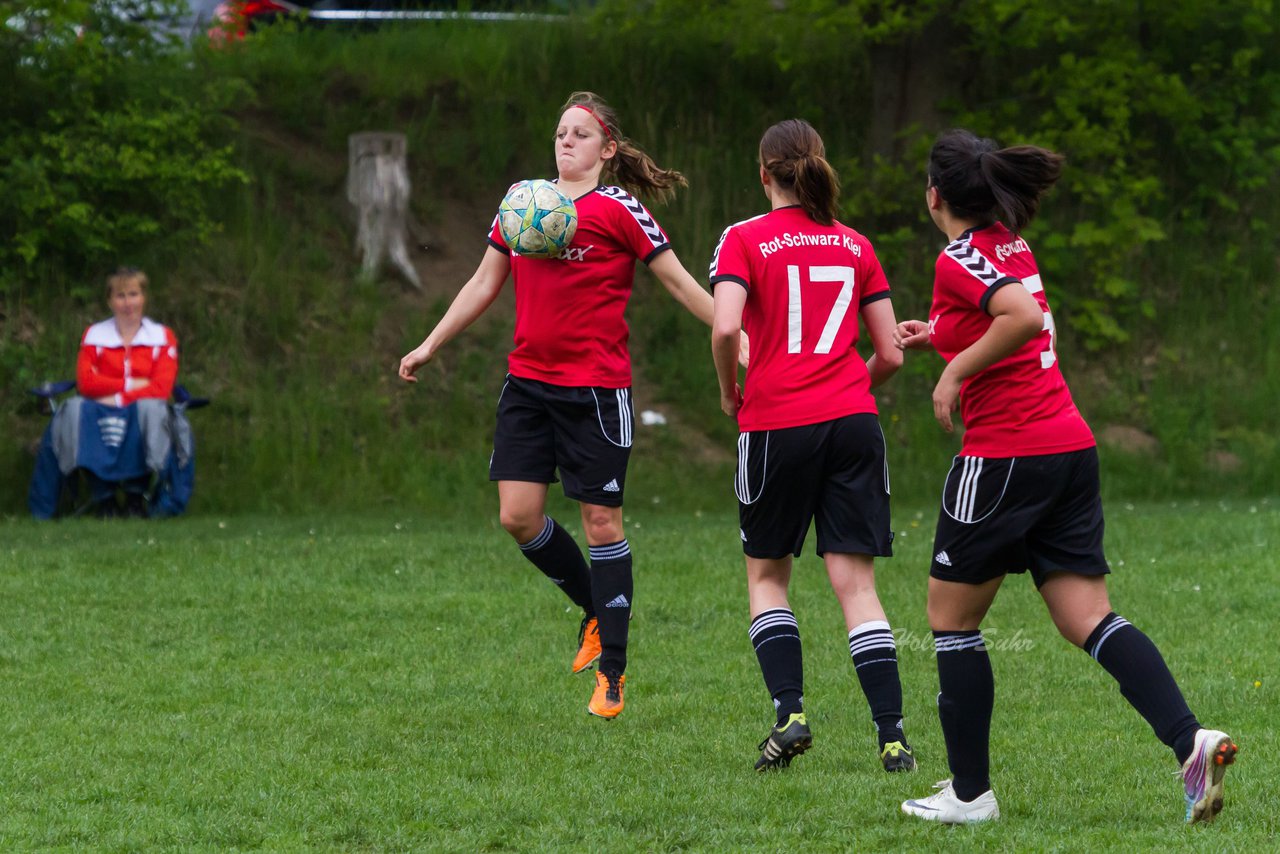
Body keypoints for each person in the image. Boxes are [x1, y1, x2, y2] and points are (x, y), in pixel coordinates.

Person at [896, 129, 1237, 824]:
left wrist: (954, 370)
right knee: (1088, 617)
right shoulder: (1009, 246)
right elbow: (1009, 315)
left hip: (1002, 456)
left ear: (935, 196)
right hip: (1067, 448)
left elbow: (1017, 317)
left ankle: (969, 795)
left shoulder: (956, 256)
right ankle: (1189, 740)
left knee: (949, 619)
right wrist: (943, 336)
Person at [398, 91, 741, 720]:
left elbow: (680, 282)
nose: (566, 142)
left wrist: (736, 335)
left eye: (580, 134)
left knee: (602, 525)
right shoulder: (524, 203)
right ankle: (592, 608)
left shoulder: (621, 211)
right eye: (560, 132)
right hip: (528, 386)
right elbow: (482, 283)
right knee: (517, 516)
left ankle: (613, 671)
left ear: (607, 149)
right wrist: (429, 345)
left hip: (596, 392)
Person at [709, 119, 915, 774]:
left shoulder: (743, 239)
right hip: (853, 422)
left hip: (776, 424)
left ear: (764, 173)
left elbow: (724, 327)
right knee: (856, 585)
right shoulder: (856, 245)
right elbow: (889, 354)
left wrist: (728, 389)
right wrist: (852, 381)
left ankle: (791, 714)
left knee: (768, 576)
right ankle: (892, 738)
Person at [75, 266, 179, 518]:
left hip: (140, 410)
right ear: (110, 300)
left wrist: (116, 396)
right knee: (78, 412)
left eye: (133, 294)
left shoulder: (162, 336)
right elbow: (86, 384)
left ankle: (135, 496)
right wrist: (130, 385)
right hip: (101, 409)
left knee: (147, 412)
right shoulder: (94, 335)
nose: (127, 303)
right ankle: (105, 498)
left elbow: (160, 389)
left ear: (143, 297)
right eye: (120, 296)